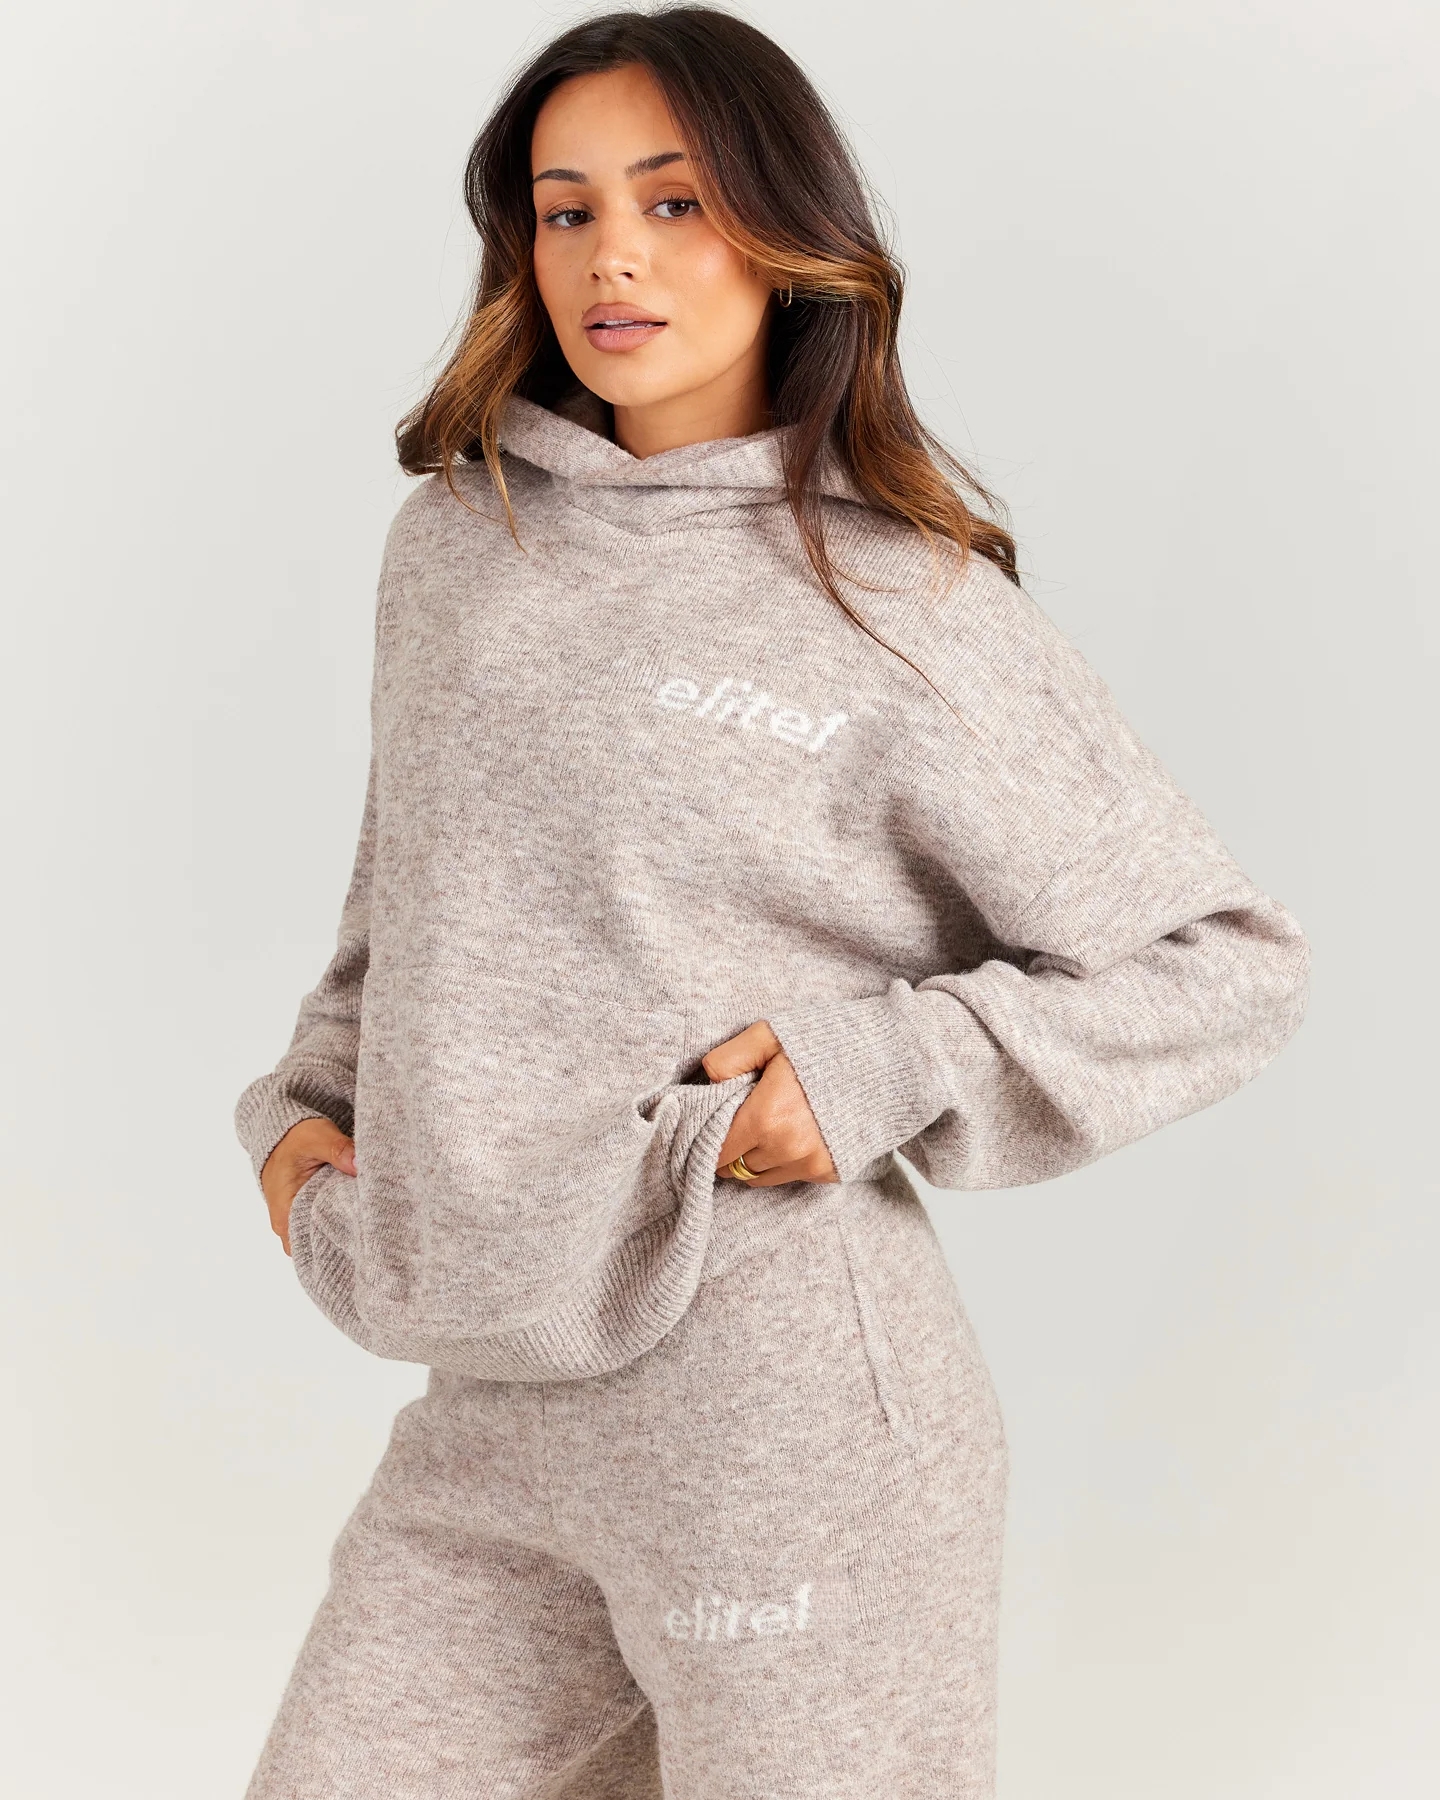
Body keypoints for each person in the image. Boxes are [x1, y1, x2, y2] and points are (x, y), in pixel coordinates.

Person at [232, 8, 1309, 1796]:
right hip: (488, 1410)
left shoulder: (901, 599)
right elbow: (401, 919)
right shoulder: (461, 544)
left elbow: (1229, 966)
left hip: (786, 1422)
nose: (615, 257)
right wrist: (295, 1127)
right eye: (567, 211)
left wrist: (877, 1069)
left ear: (786, 235)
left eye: (675, 202)